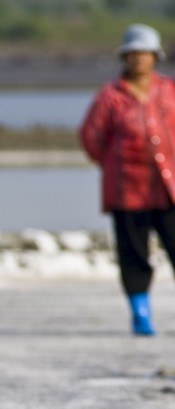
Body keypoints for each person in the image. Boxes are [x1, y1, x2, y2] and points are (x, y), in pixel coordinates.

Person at [80, 23, 175, 337]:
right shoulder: (111, 97)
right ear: (125, 57)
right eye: (133, 54)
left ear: (154, 57)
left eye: (144, 54)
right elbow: (92, 137)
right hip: (127, 190)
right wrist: (114, 165)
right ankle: (141, 313)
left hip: (169, 187)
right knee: (134, 254)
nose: (139, 60)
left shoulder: (169, 91)